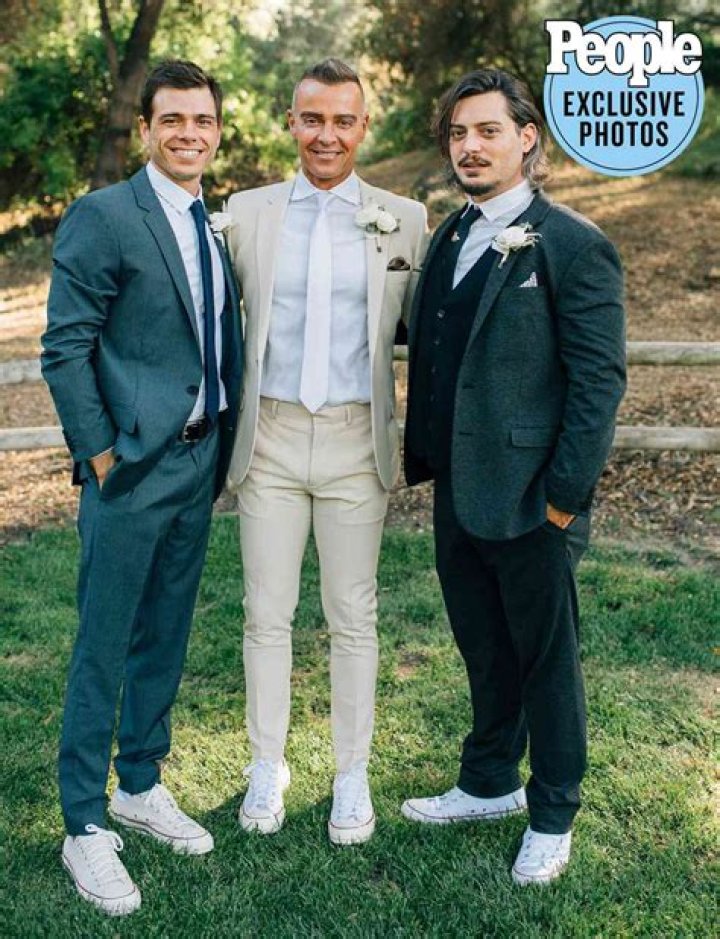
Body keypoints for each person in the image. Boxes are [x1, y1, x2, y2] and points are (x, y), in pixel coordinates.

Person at [401, 68, 626, 885]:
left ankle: (554, 810)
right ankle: (489, 779)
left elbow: (598, 381)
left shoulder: (572, 243)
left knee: (545, 660)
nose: (470, 147)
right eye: (459, 133)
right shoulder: (450, 235)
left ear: (526, 138)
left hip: (534, 497)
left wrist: (564, 498)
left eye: (487, 131)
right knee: (484, 647)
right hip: (459, 487)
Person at [41, 60, 242, 915]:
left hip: (198, 464)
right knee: (105, 640)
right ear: (149, 129)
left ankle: (140, 783)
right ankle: (83, 821)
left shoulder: (210, 221)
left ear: (218, 130)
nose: (189, 133)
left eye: (203, 120)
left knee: (165, 635)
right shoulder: (106, 215)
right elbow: (65, 345)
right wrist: (100, 456)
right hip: (129, 470)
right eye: (173, 119)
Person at [225, 58, 426, 845]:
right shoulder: (246, 213)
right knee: (265, 611)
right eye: (312, 119)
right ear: (291, 122)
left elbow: (430, 328)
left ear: (363, 126)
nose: (327, 135)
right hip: (271, 436)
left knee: (353, 616)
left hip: (354, 438)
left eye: (343, 120)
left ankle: (352, 772)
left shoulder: (403, 218)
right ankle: (265, 762)